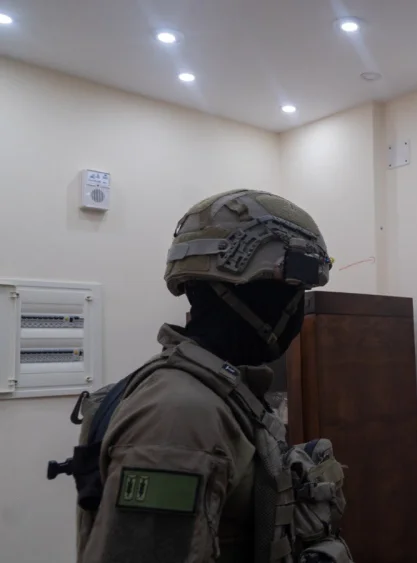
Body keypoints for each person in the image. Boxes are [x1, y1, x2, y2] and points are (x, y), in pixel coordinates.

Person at [61, 189, 348, 562]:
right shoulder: (180, 414)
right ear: (251, 295)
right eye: (292, 291)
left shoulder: (217, 393)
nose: (297, 309)